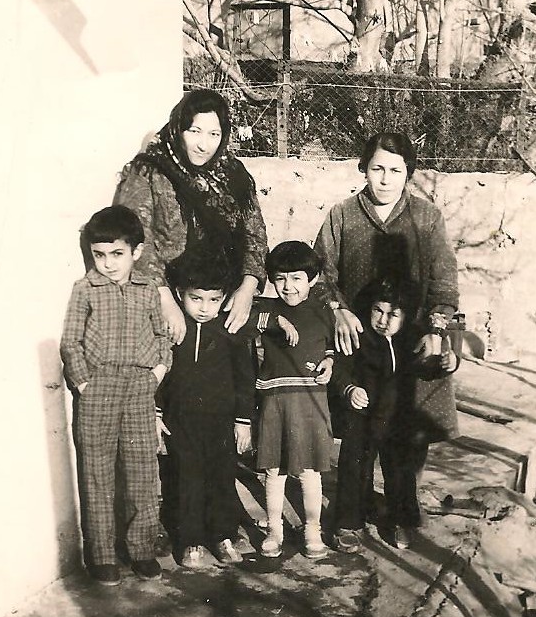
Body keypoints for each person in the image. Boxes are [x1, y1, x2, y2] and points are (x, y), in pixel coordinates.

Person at [313, 131, 460, 545]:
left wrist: (436, 328)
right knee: (358, 435)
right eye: (377, 168)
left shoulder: (426, 218)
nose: (385, 179)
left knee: (405, 437)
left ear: (408, 173)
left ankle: (400, 513)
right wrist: (337, 310)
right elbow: (320, 274)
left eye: (395, 170)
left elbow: (444, 281)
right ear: (364, 169)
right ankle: (352, 513)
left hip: (408, 347)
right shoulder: (342, 216)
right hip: (359, 346)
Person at [60, 205, 172, 586]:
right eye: (99, 255)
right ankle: (102, 556)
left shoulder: (147, 290)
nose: (108, 263)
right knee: (98, 473)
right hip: (99, 388)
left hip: (139, 388)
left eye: (117, 254)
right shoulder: (85, 289)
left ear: (136, 252)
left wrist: (157, 372)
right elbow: (71, 342)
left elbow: (161, 335)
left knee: (142, 472)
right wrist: (84, 384)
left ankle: (141, 549)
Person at [114, 88, 268, 345]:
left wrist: (247, 289)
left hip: (223, 302)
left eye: (214, 134)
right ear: (178, 129)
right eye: (194, 131)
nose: (203, 145)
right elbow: (135, 238)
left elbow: (255, 234)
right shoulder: (149, 172)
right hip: (169, 302)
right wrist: (165, 300)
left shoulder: (233, 173)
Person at [333, 278, 460, 553]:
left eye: (393, 315)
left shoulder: (411, 340)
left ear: (405, 316)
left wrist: (449, 363)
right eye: (377, 311)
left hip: (396, 417)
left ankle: (401, 520)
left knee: (400, 472)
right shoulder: (360, 335)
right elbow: (340, 369)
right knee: (355, 467)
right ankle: (348, 523)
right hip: (362, 416)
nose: (383, 321)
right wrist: (349, 388)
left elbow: (428, 369)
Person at [157, 249, 257, 568]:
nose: (204, 308)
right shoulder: (174, 327)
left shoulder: (230, 330)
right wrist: (156, 414)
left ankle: (223, 535)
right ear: (179, 294)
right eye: (196, 298)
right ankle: (191, 540)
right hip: (181, 421)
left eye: (214, 300)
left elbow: (245, 378)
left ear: (224, 298)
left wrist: (243, 421)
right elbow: (161, 374)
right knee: (187, 480)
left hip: (221, 422)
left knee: (221, 478)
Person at [255, 241, 336, 560]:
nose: (288, 286)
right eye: (280, 278)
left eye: (297, 278)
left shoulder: (322, 311)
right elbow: (248, 323)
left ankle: (312, 529)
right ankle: (274, 529)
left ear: (312, 279)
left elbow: (330, 344)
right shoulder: (265, 310)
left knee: (309, 470)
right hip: (275, 399)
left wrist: (330, 361)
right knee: (274, 469)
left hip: (310, 399)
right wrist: (278, 321)